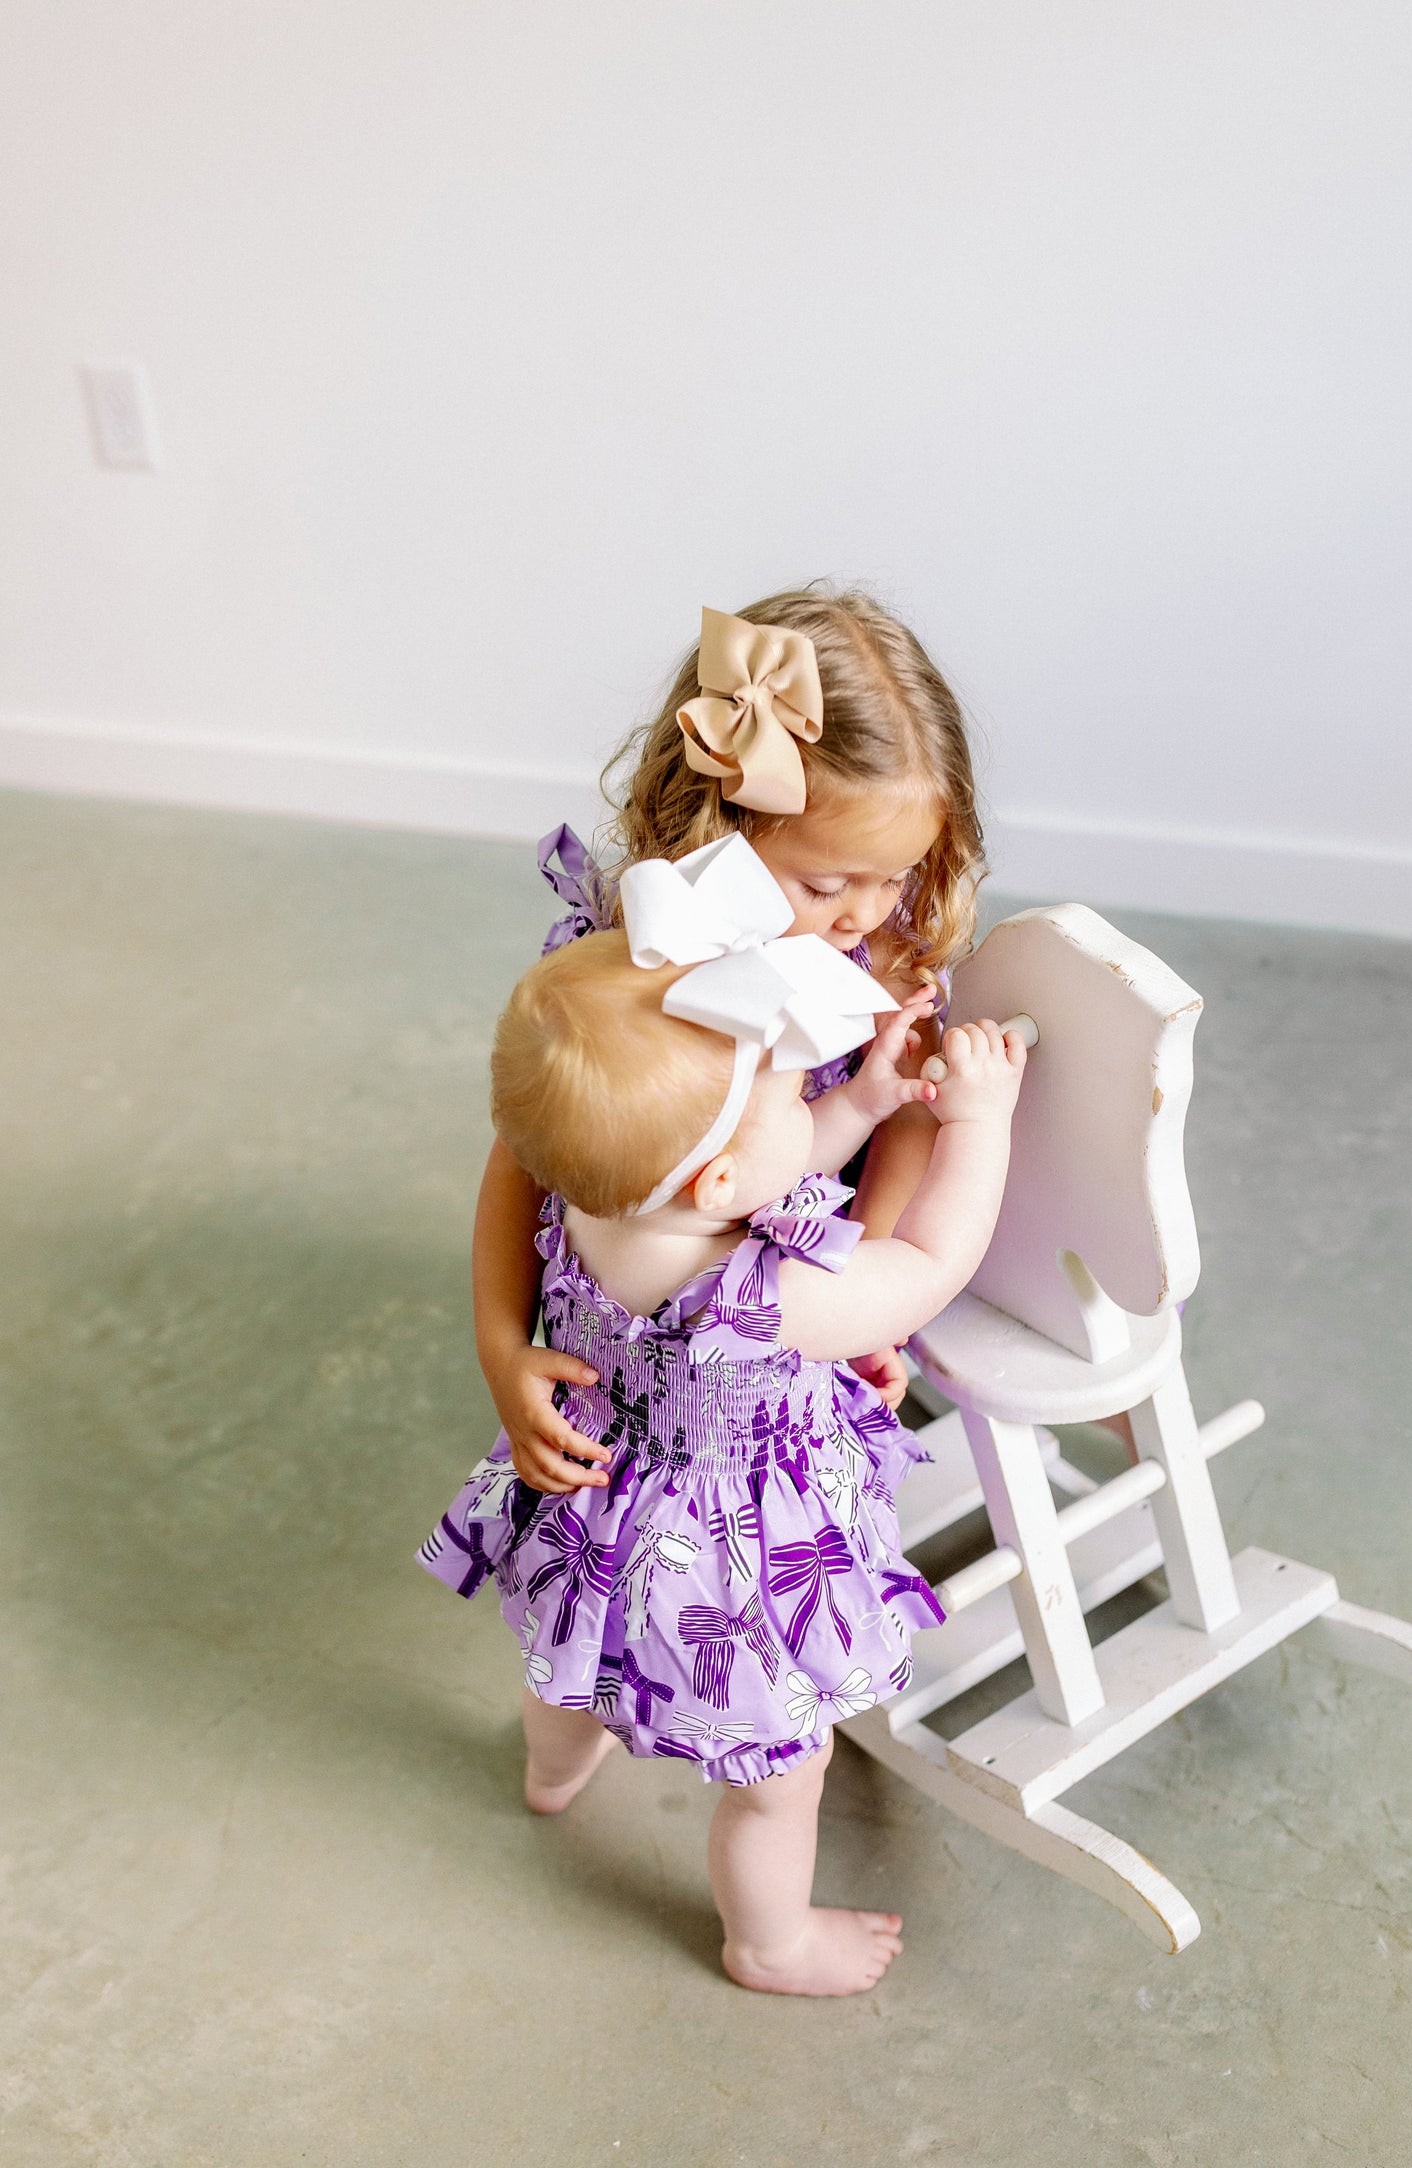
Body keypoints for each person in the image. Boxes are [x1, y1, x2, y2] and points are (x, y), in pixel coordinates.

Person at [419, 835, 1027, 1995]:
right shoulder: (766, 1300)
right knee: (774, 1779)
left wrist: (859, 1098)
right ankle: (768, 1939)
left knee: (567, 1669)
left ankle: (553, 1770)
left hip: (591, 1513)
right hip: (726, 1574)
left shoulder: (595, 1203)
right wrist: (978, 1121)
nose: (801, 1087)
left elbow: (751, 1174)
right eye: (783, 1083)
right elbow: (928, 1261)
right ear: (718, 1181)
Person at [475, 592, 987, 1498]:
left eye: (898, 875)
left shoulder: (883, 956)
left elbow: (906, 1117)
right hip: (636, 1289)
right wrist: (501, 1345)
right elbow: (528, 1152)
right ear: (723, 830)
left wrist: (858, 1297)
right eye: (827, 882)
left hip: (804, 1289)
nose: (866, 911)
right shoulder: (643, 958)